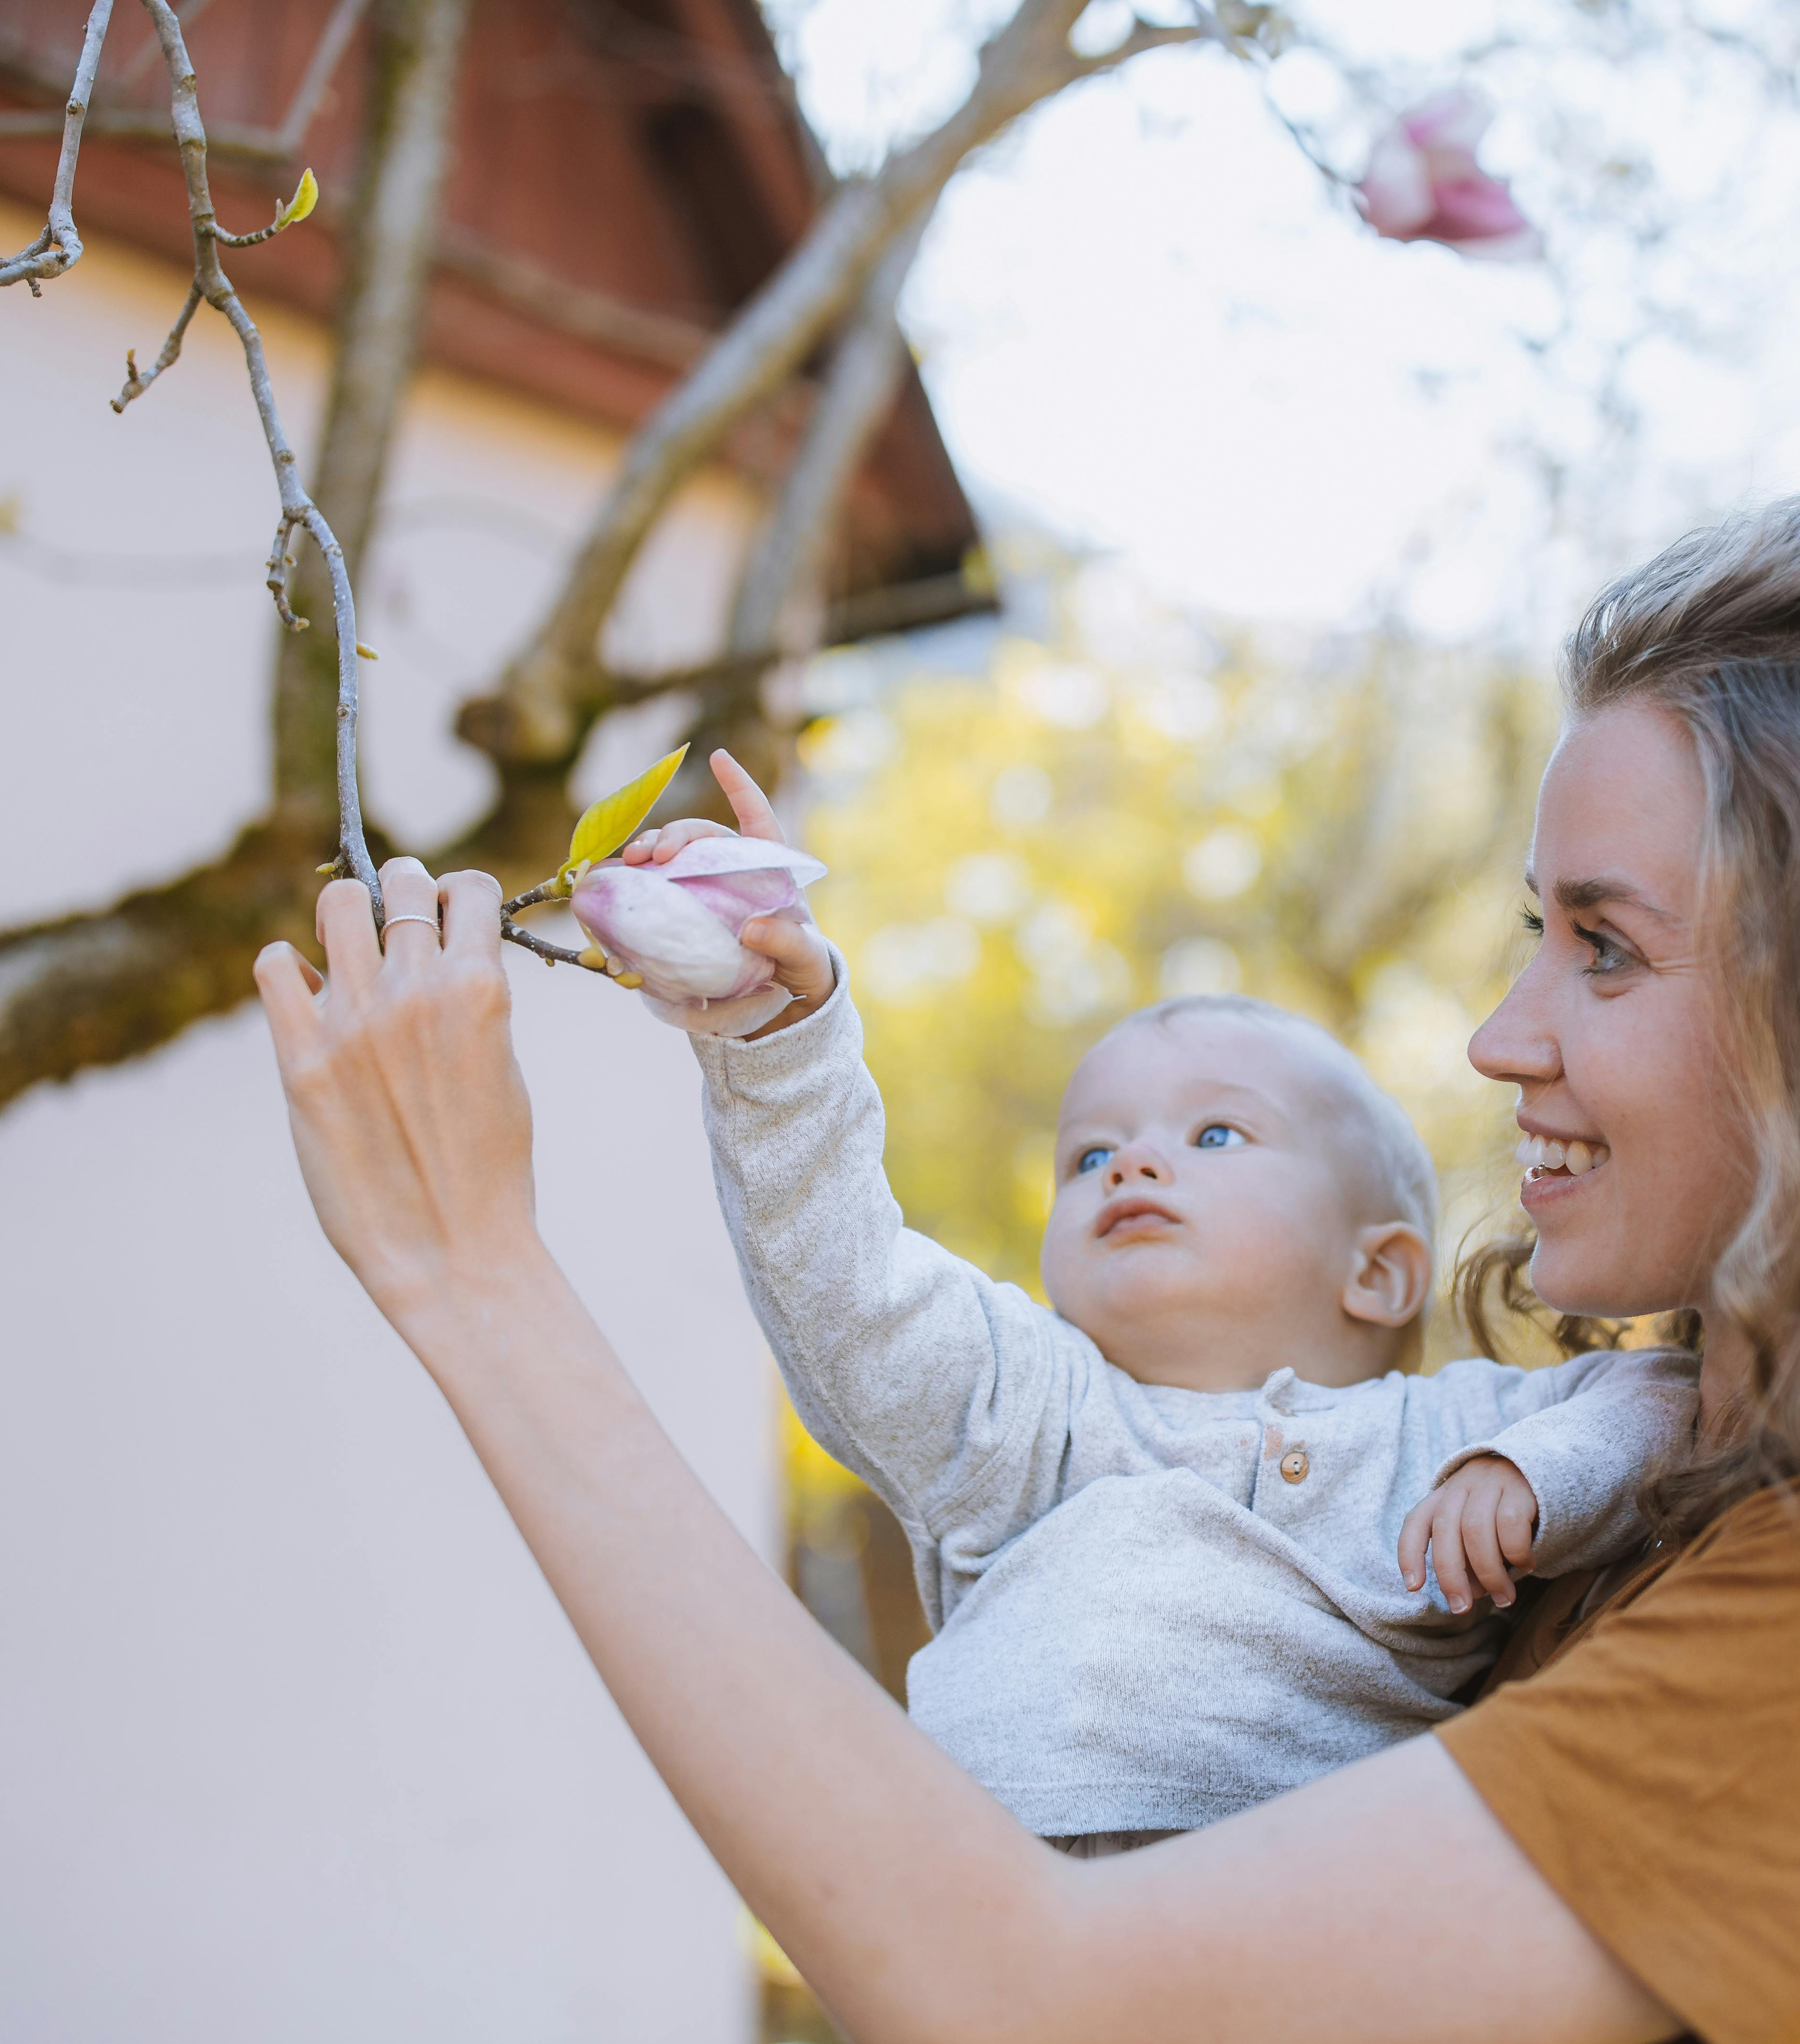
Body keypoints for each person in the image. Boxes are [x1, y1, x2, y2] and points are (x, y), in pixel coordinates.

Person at [257, 489, 1800, 2044]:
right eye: (1526, 935)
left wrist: (474, 1276)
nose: (1500, 1039)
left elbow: (1008, 2006)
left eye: (1604, 946)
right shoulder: (1719, 1484)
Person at [614, 755, 1697, 1858]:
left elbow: (1672, 1389)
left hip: (1290, 1929)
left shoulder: (1448, 1438)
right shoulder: (1028, 1418)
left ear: (1377, 1273)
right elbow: (845, 1285)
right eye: (1089, 1153)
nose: (1132, 1161)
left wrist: (1536, 1475)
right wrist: (777, 1032)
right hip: (987, 1908)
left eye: (1214, 1134)